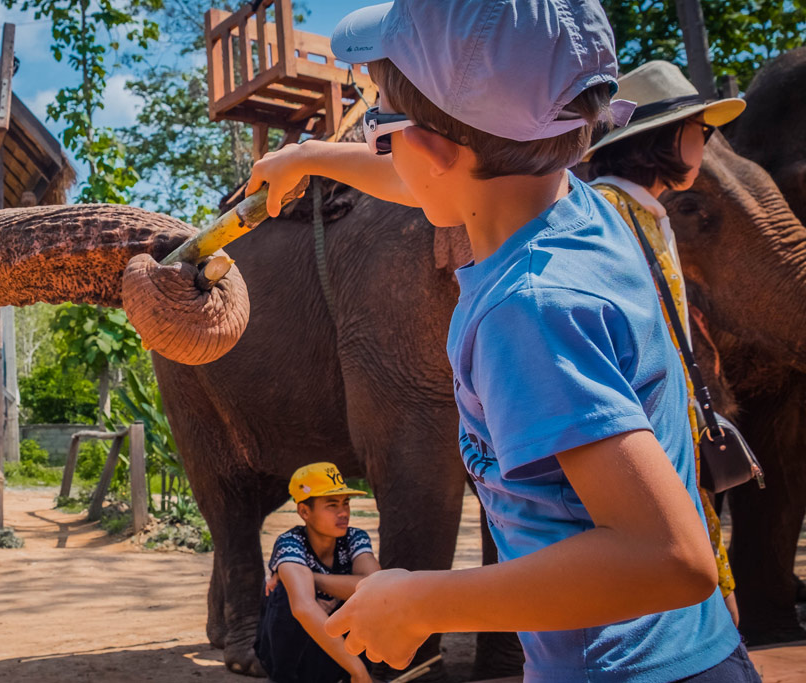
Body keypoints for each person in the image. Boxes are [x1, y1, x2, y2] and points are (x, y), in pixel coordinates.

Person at [244, 1, 758, 680]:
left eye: (378, 126)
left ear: (431, 151)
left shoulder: (526, 312)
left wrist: (424, 600)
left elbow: (671, 557)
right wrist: (313, 157)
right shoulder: (575, 204)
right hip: (690, 653)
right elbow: (434, 170)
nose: (378, 146)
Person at [585, 59, 747, 626]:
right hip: (647, 446)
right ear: (665, 138)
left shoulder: (641, 212)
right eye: (700, 130)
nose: (705, 142)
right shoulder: (605, 215)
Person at [255, 462, 378, 683]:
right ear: (304, 511)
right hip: (294, 658)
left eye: (346, 503)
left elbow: (377, 586)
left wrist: (313, 579)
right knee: (287, 593)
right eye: (332, 505)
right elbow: (303, 608)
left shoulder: (354, 538)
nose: (343, 513)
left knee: (369, 601)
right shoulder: (290, 543)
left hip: (337, 653)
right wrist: (358, 671)